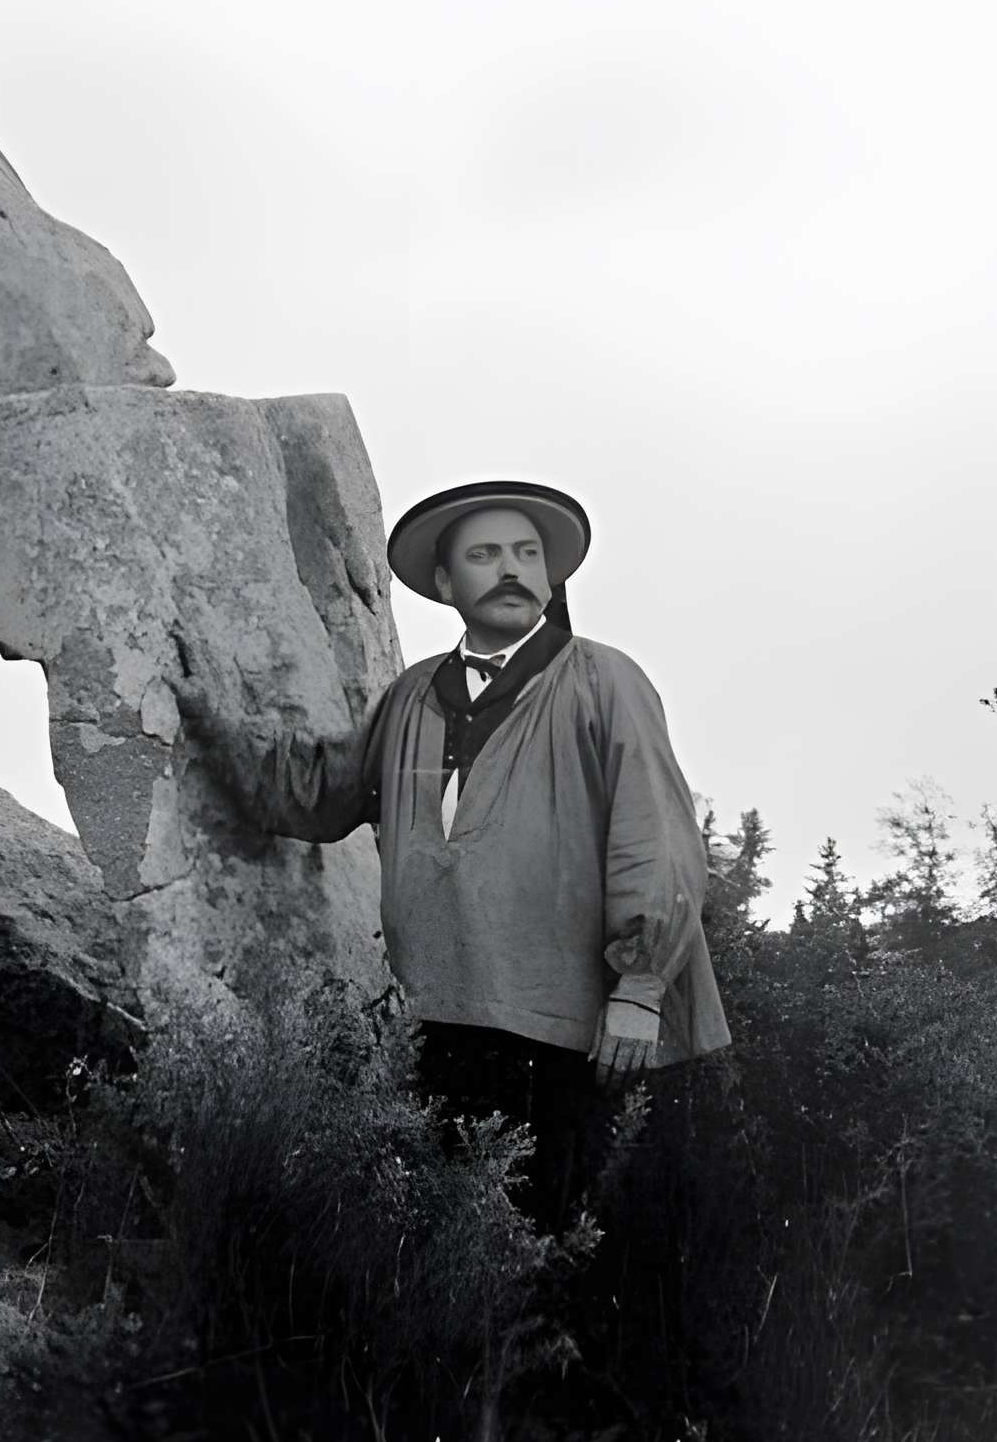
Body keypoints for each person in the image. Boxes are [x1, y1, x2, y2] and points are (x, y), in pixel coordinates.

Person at [178, 478, 728, 1237]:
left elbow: (657, 834)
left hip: (571, 1031)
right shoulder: (410, 696)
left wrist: (639, 986)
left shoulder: (605, 680)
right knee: (439, 1248)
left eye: (528, 553)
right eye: (485, 553)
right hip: (437, 1018)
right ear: (445, 582)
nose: (512, 569)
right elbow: (319, 794)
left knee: (550, 1251)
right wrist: (206, 716)